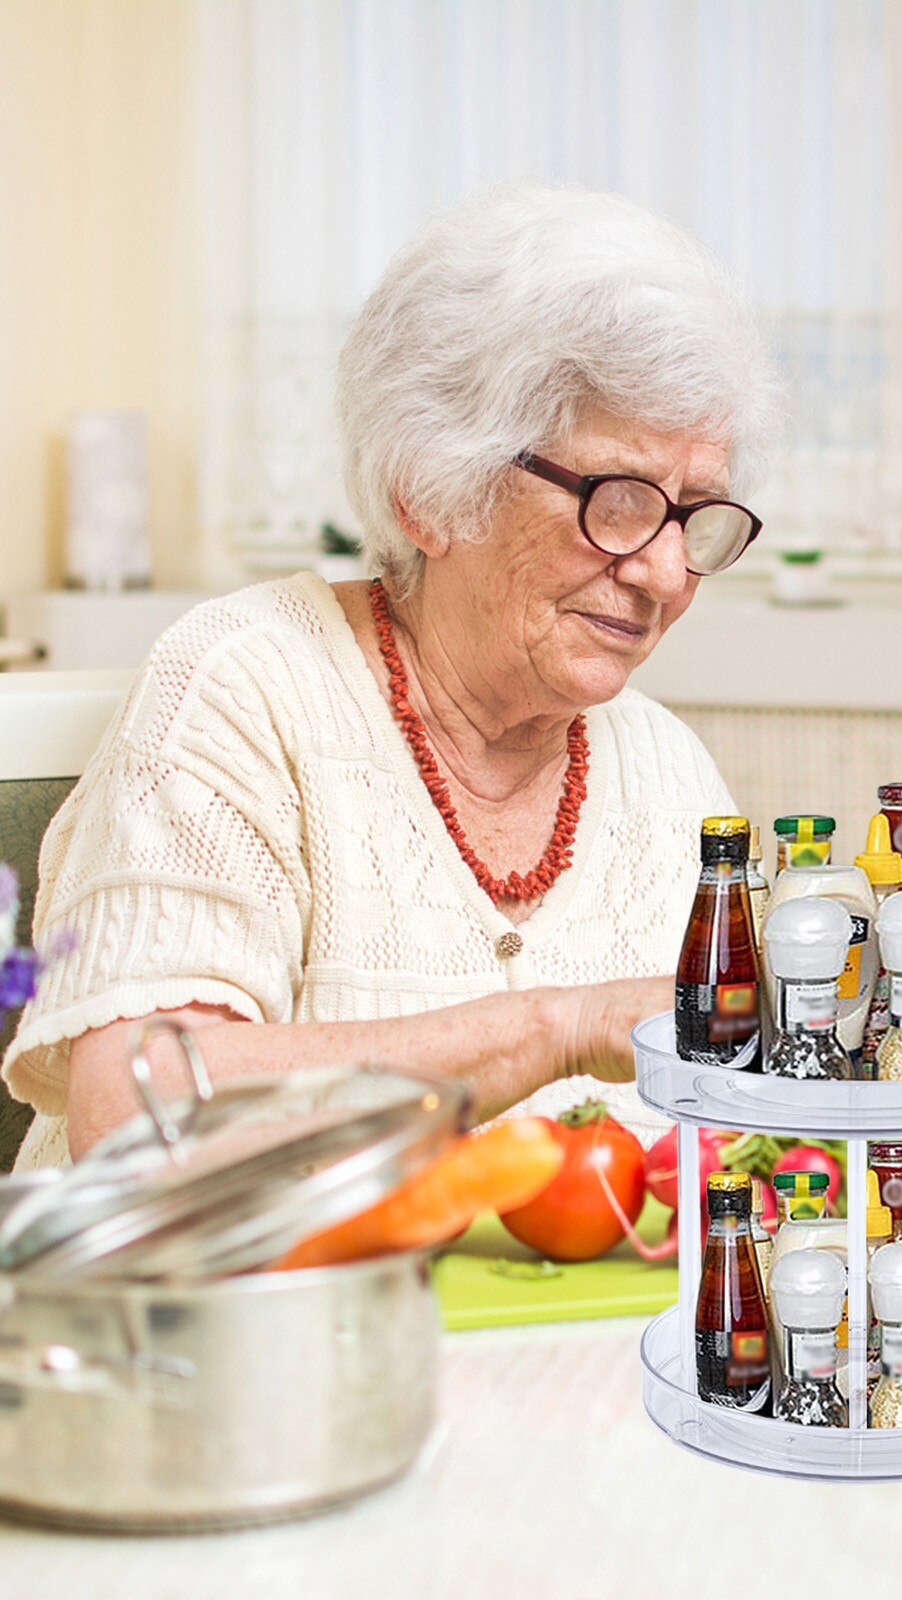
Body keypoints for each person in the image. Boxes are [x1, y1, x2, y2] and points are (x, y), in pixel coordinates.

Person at [2, 181, 781, 1168]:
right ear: (429, 491)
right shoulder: (246, 691)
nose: (667, 574)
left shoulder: (667, 774)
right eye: (619, 500)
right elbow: (135, 1117)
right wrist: (550, 1027)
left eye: (695, 513)